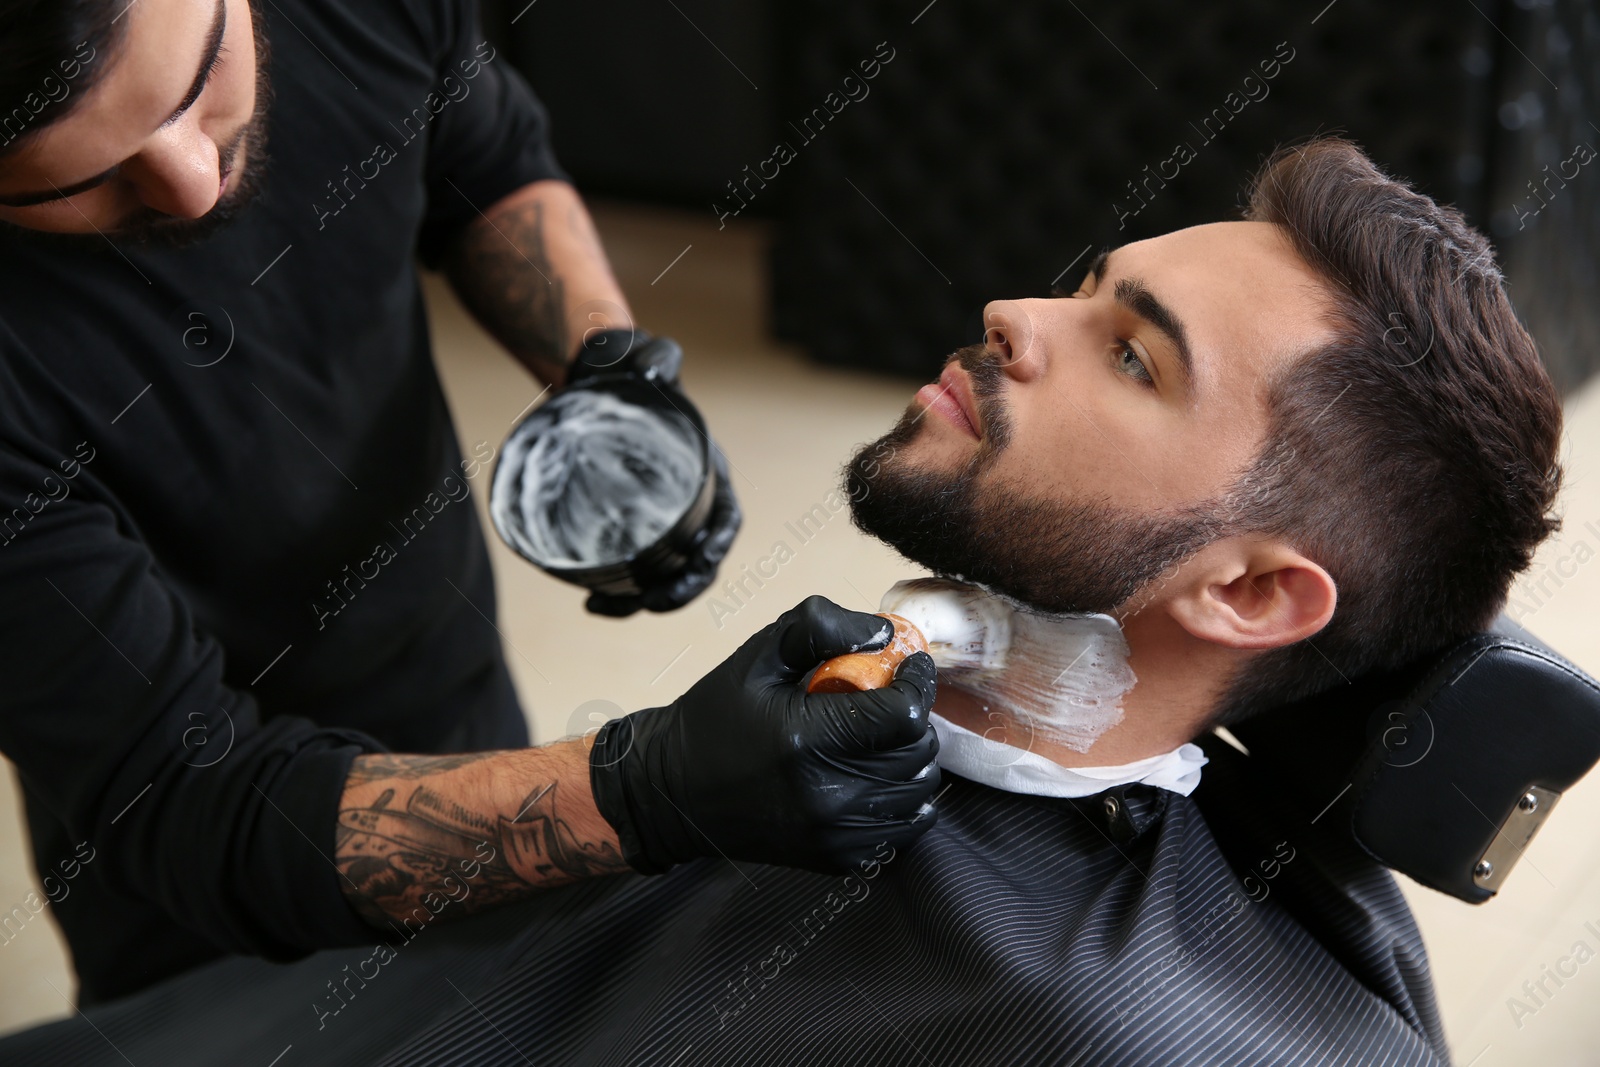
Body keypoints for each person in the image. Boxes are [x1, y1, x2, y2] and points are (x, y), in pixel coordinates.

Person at [0, 135, 1561, 1066]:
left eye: (1135, 354)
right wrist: (638, 790)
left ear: (1251, 589)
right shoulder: (840, 745)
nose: (1019, 313)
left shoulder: (1125, 1015)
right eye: (1089, 285)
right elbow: (186, 810)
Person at [0, 0, 943, 1005]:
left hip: (445, 664)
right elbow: (196, 806)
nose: (190, 184)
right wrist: (641, 788)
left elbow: (480, 159)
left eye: (200, 82)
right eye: (86, 180)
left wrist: (605, 375)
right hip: (198, 881)